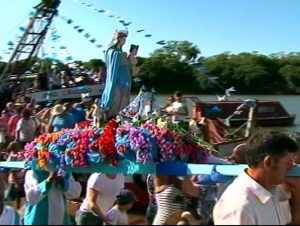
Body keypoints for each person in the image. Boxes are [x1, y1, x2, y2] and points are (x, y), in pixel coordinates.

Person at [213, 130, 298, 225]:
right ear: (269, 162)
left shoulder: (272, 191)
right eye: (288, 163)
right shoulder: (239, 207)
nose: (293, 167)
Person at [101, 30, 132, 120]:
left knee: (123, 102)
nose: (124, 41)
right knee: (117, 100)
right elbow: (114, 68)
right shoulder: (114, 52)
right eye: (123, 39)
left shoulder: (121, 52)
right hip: (118, 82)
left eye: (125, 39)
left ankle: (121, 119)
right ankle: (112, 118)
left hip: (125, 81)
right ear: (118, 39)